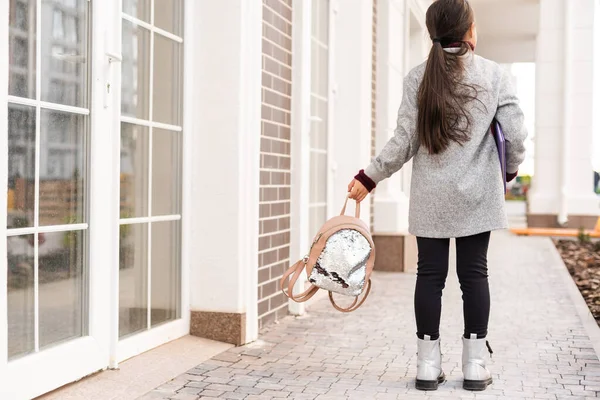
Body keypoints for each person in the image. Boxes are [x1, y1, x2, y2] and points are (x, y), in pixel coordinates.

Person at [348, 0, 527, 392]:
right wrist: (509, 169)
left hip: (430, 196)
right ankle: (475, 365)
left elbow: (403, 142)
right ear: (469, 32)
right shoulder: (494, 75)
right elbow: (515, 135)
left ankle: (428, 366)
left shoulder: (417, 77)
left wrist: (369, 176)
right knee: (474, 275)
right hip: (478, 196)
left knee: (430, 276)